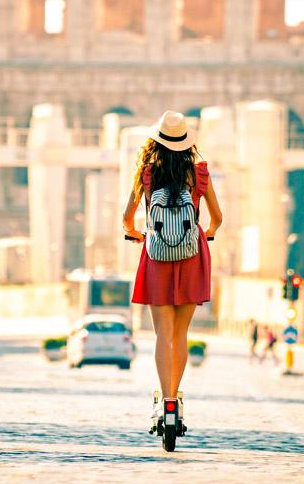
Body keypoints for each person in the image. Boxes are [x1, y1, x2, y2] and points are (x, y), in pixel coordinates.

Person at [123, 111, 222, 431]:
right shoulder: (199, 174)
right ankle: (175, 401)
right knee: (181, 335)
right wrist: (206, 233)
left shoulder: (147, 174)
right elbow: (217, 218)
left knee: (162, 335)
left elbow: (127, 217)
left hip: (157, 259)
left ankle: (163, 399)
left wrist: (138, 234)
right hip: (193, 259)